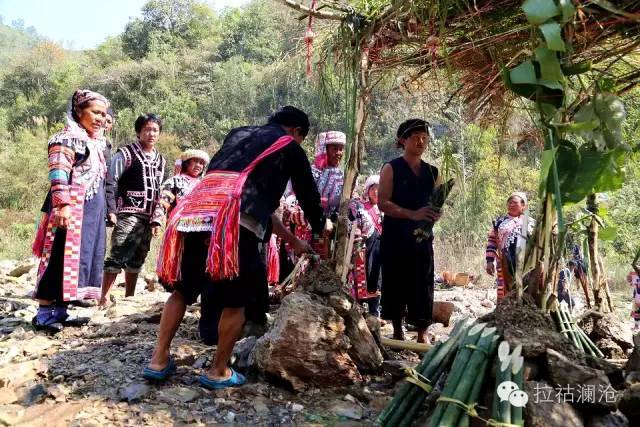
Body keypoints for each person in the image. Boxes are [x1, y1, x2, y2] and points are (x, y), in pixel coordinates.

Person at [145, 106, 325, 390]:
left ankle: (157, 359)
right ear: (296, 131)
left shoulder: (239, 134)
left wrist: (294, 242)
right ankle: (218, 370)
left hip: (195, 215)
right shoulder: (289, 145)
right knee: (235, 300)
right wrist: (321, 225)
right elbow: (307, 194)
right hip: (233, 225)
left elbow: (256, 204)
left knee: (183, 290)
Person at [31, 89, 110, 332]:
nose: (99, 118)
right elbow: (58, 173)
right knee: (57, 255)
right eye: (94, 112)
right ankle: (44, 313)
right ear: (78, 111)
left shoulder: (96, 142)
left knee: (80, 258)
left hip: (90, 209)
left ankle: (63, 310)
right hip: (70, 207)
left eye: (103, 114)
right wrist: (63, 205)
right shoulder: (65, 138)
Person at [378, 119, 442, 344]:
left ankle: (422, 332)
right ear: (403, 140)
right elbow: (383, 203)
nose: (421, 141)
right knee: (395, 281)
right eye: (415, 137)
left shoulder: (433, 172)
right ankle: (397, 329)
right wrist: (411, 214)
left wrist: (434, 214)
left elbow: (435, 203)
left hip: (422, 238)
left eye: (424, 137)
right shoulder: (391, 168)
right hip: (395, 236)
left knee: (422, 283)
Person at [100, 113, 167, 305]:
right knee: (119, 252)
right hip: (129, 211)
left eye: (155, 130)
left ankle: (129, 296)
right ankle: (103, 297)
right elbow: (111, 181)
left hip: (148, 216)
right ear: (138, 132)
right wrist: (111, 209)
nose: (151, 133)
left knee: (139, 255)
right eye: (147, 129)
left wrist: (157, 218)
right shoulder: (126, 154)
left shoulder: (161, 161)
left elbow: (161, 191)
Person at [485, 192, 535, 301]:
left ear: (523, 206)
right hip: (505, 262)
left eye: (515, 203)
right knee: (506, 288)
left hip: (527, 264)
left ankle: (525, 311)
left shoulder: (531, 222)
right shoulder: (499, 222)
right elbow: (492, 241)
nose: (511, 205)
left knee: (526, 287)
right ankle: (504, 311)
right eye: (509, 202)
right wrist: (489, 261)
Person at [348, 174, 383, 317]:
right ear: (367, 190)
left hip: (380, 250)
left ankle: (375, 312)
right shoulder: (359, 207)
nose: (376, 192)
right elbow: (352, 223)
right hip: (363, 249)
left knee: (377, 278)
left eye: (379, 189)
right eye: (373, 188)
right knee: (361, 279)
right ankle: (359, 312)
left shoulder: (385, 208)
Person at [150, 149, 210, 229]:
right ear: (187, 163)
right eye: (195, 161)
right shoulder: (175, 181)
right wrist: (156, 221)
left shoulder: (204, 184)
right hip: (179, 226)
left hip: (201, 227)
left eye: (201, 163)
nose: (198, 165)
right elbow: (163, 201)